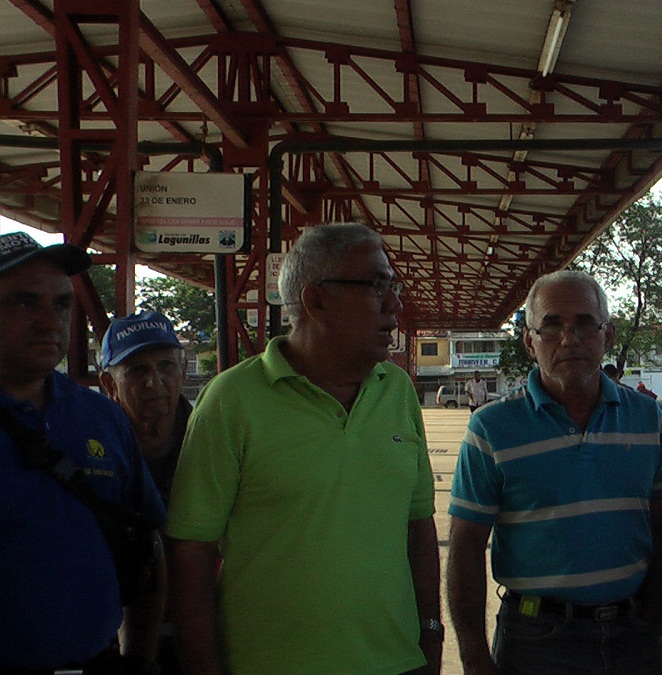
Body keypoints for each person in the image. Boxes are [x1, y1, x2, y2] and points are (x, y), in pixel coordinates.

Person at [166, 223, 442, 675]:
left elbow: (418, 522)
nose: (395, 304)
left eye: (393, 286)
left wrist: (430, 633)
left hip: (398, 663)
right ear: (315, 300)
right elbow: (191, 551)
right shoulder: (231, 400)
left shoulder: (397, 390)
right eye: (377, 285)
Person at [447, 270, 662, 675]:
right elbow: (466, 549)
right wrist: (474, 658)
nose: (570, 339)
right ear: (529, 342)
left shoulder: (648, 420)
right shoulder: (491, 428)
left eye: (585, 324)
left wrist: (650, 623)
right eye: (552, 326)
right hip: (535, 645)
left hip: (633, 639)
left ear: (608, 335)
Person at [0, 232, 166, 674]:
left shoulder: (101, 418)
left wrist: (139, 660)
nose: (48, 320)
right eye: (22, 302)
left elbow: (146, 544)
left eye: (60, 304)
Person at [99, 310, 192, 674]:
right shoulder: (93, 450)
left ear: (182, 373)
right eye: (137, 370)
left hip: (201, 624)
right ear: (109, 384)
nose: (155, 382)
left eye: (165, 366)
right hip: (114, 639)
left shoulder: (216, 441)